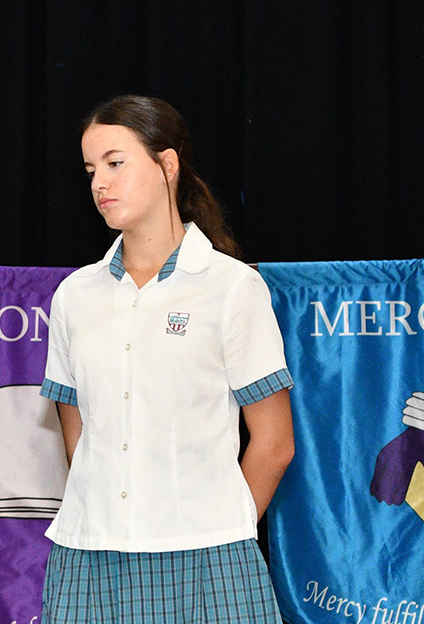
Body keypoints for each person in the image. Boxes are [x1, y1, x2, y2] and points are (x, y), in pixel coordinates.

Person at [39, 95, 295, 623]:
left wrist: (222, 528)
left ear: (168, 164)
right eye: (90, 170)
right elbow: (76, 430)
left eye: (115, 163)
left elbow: (273, 443)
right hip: (90, 556)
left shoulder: (232, 287)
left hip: (209, 557)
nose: (98, 184)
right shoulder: (73, 295)